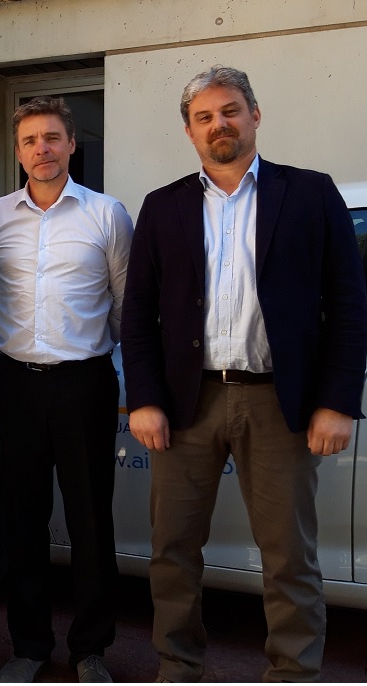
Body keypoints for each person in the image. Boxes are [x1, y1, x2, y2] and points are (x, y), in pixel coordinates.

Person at [121, 65, 367, 682]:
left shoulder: (310, 194)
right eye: (204, 117)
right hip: (187, 404)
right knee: (173, 551)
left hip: (278, 402)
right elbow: (139, 314)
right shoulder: (163, 207)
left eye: (229, 110)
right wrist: (143, 398)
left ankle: (293, 672)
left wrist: (337, 401)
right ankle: (178, 666)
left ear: (255, 115)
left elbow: (348, 302)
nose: (218, 124)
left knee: (289, 557)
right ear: (189, 131)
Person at [0, 96, 133, 683]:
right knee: (23, 518)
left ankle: (91, 648)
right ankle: (29, 646)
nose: (40, 149)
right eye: (29, 140)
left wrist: (85, 349)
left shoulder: (107, 214)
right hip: (15, 381)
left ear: (72, 144)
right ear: (17, 151)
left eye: (51, 138)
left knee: (92, 519)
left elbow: (125, 303)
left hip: (85, 383)